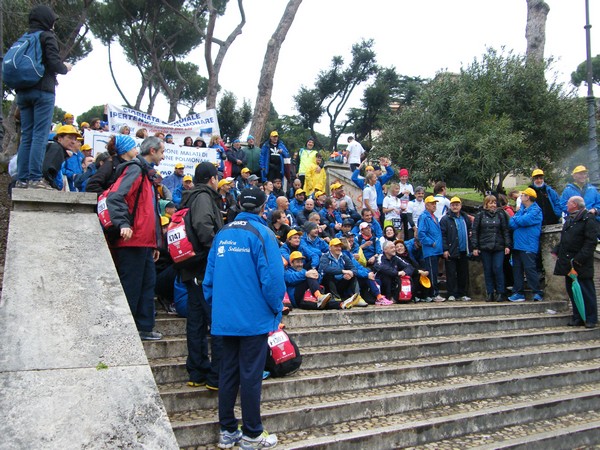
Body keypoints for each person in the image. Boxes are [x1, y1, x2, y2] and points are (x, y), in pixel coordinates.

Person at [203, 186, 284, 450]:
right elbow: (271, 280)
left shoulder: (222, 234)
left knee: (227, 374)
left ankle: (227, 430)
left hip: (225, 318)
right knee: (251, 376)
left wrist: (219, 308)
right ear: (263, 208)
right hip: (253, 318)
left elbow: (209, 280)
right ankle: (251, 434)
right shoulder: (263, 233)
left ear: (238, 204)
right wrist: (276, 309)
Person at [105, 136, 164, 340]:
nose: (164, 156)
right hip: (132, 239)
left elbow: (150, 211)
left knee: (147, 284)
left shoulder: (146, 174)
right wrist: (123, 223)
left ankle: (144, 328)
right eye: (162, 152)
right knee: (132, 286)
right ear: (153, 151)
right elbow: (115, 196)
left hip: (144, 241)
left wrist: (155, 242)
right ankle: (125, 329)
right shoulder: (136, 170)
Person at [14, 5, 73, 190]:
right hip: (43, 91)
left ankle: (22, 179)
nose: (54, 24)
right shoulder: (47, 36)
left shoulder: (24, 38)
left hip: (23, 92)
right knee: (40, 135)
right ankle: (35, 178)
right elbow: (55, 64)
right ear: (47, 21)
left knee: (27, 136)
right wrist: (66, 67)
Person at [177, 162, 224, 391]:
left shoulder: (189, 196)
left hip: (190, 267)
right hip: (203, 268)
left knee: (195, 324)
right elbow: (203, 226)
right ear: (212, 178)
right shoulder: (204, 197)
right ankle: (215, 376)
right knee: (214, 321)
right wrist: (218, 253)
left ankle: (196, 372)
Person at [553, 196, 598, 328]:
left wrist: (579, 260)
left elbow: (590, 242)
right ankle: (577, 317)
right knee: (573, 292)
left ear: (575, 204)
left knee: (586, 292)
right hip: (568, 263)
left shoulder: (588, 219)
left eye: (568, 203)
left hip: (581, 263)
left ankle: (590, 319)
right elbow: (565, 240)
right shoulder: (569, 220)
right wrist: (556, 250)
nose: (566, 205)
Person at [472, 195, 512, 302]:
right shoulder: (480, 215)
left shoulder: (500, 215)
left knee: (498, 268)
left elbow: (505, 230)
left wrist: (507, 245)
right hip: (485, 246)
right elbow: (475, 231)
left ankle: (500, 292)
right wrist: (475, 247)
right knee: (488, 270)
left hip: (498, 246)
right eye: (490, 203)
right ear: (486, 204)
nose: (493, 205)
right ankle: (490, 293)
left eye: (494, 203)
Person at [508, 188, 543, 302]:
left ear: (528, 197)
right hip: (518, 244)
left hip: (528, 244)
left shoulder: (536, 210)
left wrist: (517, 219)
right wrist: (519, 219)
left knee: (530, 269)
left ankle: (537, 292)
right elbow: (511, 223)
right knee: (517, 269)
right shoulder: (522, 210)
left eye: (522, 195)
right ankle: (518, 292)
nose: (520, 196)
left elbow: (525, 221)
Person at [440, 197, 472, 301]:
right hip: (451, 250)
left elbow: (470, 229)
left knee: (463, 273)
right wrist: (445, 249)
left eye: (457, 205)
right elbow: (443, 235)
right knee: (451, 273)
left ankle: (462, 293)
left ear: (460, 206)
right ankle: (451, 293)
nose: (455, 207)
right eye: (453, 205)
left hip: (463, 249)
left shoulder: (464, 217)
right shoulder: (445, 219)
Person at [319, 238, 362, 308]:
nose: (338, 248)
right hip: (328, 285)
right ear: (330, 248)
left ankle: (357, 297)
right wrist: (342, 271)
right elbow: (325, 269)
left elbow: (353, 268)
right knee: (328, 275)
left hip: (341, 283)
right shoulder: (325, 256)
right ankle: (336, 298)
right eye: (336, 246)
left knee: (353, 276)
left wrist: (351, 274)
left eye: (339, 246)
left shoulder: (344, 256)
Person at [418, 196, 444, 302]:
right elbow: (421, 234)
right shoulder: (424, 217)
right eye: (432, 203)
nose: (434, 205)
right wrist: (431, 243)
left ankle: (433, 293)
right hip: (430, 250)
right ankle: (433, 293)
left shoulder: (434, 217)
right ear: (427, 205)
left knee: (434, 271)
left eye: (435, 203)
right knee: (431, 272)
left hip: (436, 250)